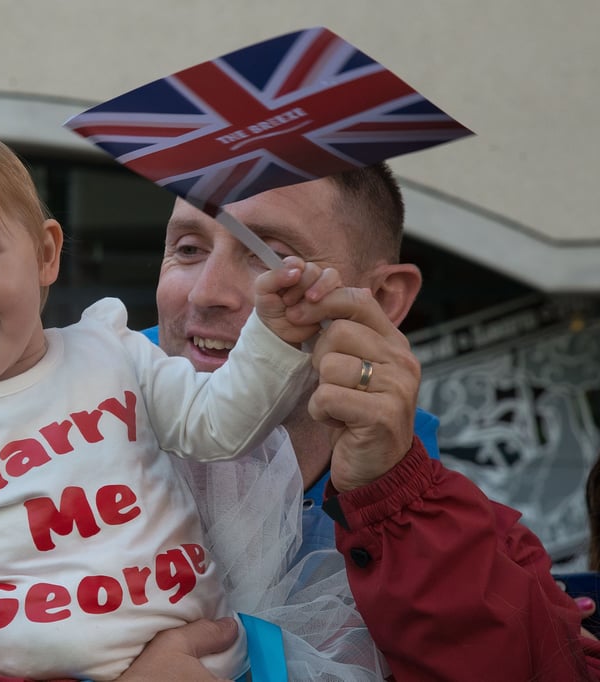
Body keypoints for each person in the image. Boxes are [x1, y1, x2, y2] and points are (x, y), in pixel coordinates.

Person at [0, 113, 374, 681]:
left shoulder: (112, 351)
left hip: (205, 664)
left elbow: (221, 428)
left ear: (45, 254)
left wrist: (271, 334)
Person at [118, 163, 600, 680]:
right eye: (188, 248)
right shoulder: (39, 462)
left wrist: (394, 496)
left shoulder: (476, 546)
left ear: (385, 298)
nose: (205, 293)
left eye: (272, 259)